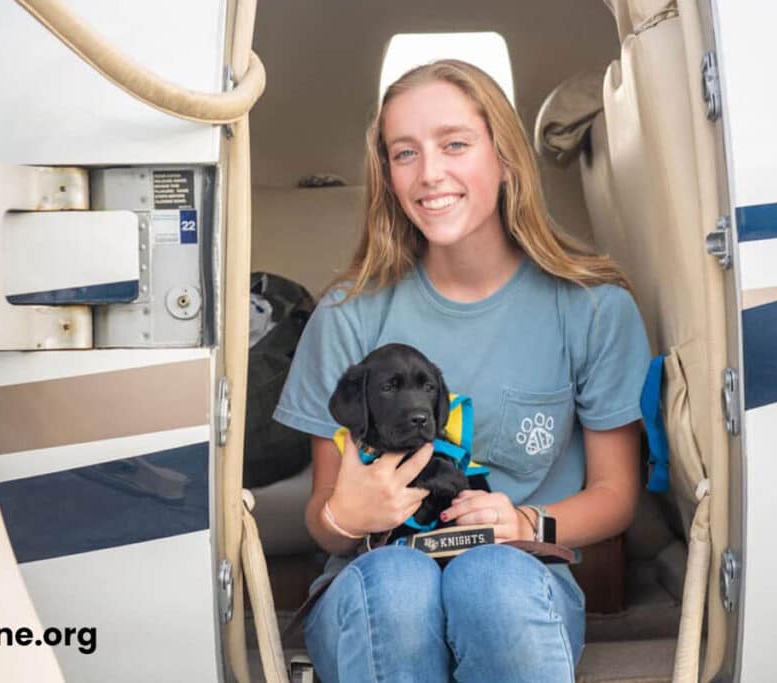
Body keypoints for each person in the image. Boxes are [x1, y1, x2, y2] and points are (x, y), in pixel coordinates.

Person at [273, 59, 651, 683]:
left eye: (454, 144)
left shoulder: (592, 309)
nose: (430, 175)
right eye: (404, 154)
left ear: (504, 157)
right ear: (388, 176)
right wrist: (348, 515)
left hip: (521, 578)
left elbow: (617, 495)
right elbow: (324, 517)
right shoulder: (347, 316)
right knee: (399, 580)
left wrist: (526, 522)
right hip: (369, 579)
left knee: (493, 577)